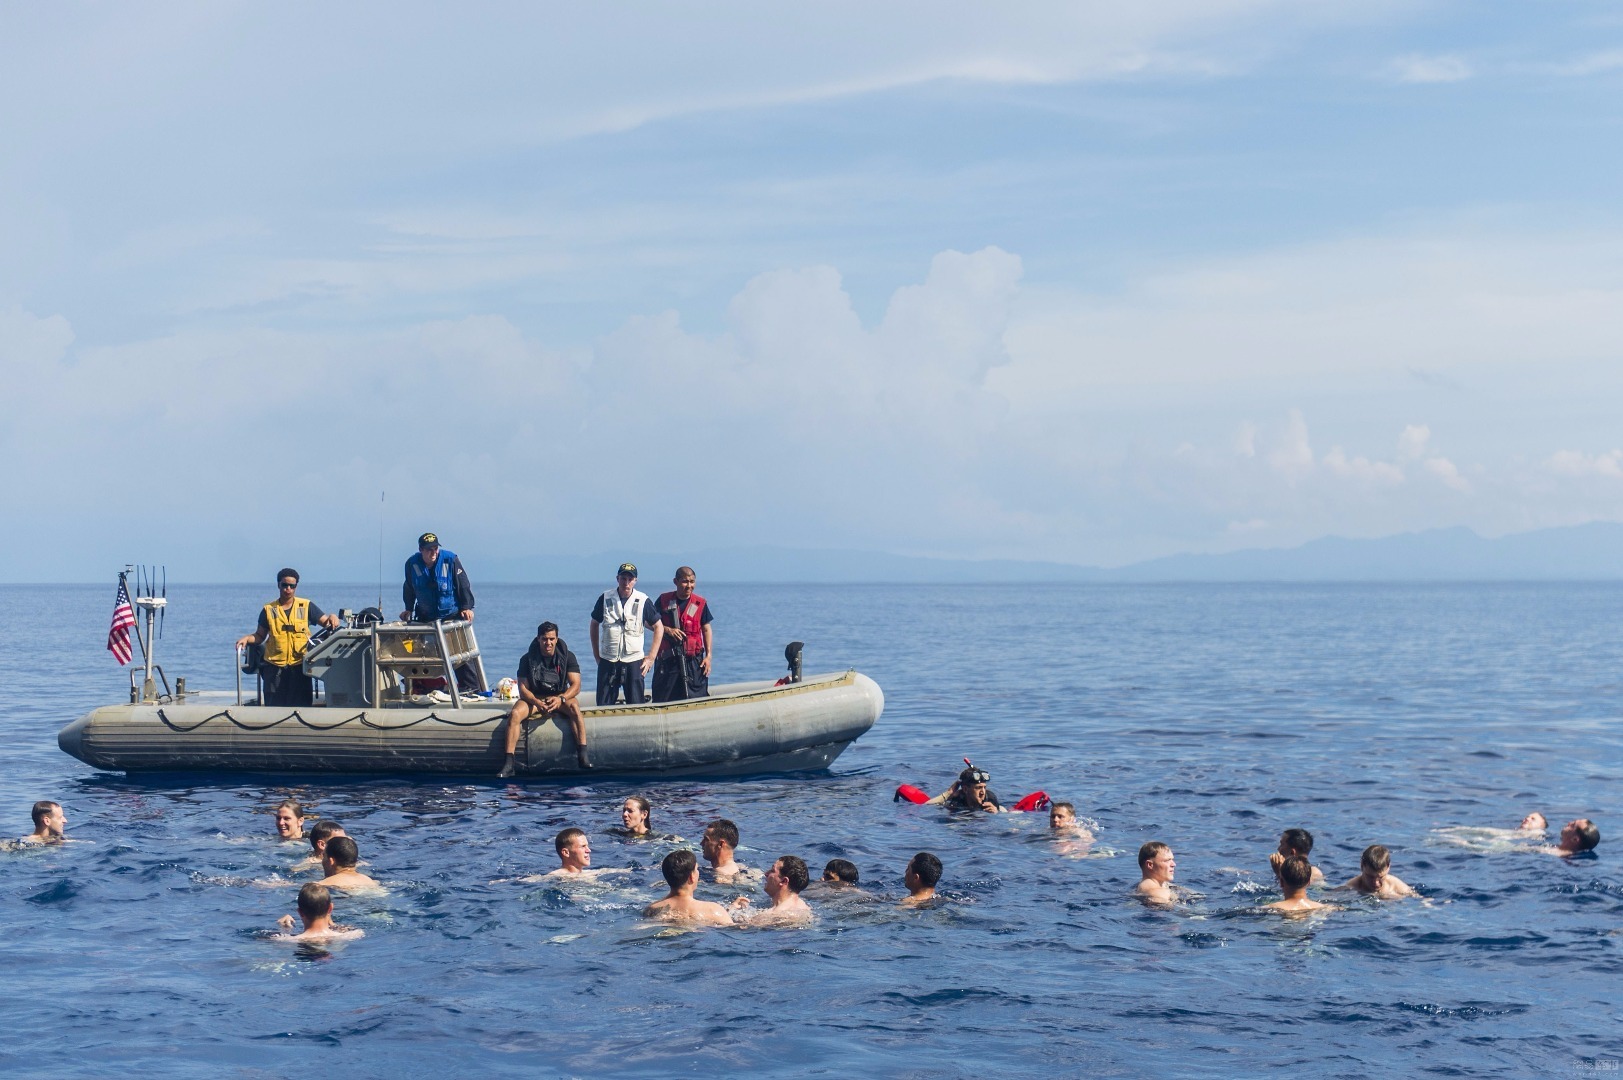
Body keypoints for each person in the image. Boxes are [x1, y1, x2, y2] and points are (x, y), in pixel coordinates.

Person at [235, 569, 340, 708]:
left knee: (302, 706)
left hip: (299, 666)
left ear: (296, 586)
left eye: (292, 586)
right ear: (278, 585)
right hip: (274, 668)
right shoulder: (268, 609)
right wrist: (247, 639)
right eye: (285, 585)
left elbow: (327, 622)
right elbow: (260, 636)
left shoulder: (306, 606)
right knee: (274, 707)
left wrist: (333, 616)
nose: (288, 589)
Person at [498, 622, 586, 776]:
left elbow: (576, 685)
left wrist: (561, 699)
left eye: (552, 639)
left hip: (559, 696)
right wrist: (537, 702)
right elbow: (523, 689)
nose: (548, 643)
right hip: (534, 698)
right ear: (538, 639)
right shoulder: (526, 659)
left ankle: (583, 754)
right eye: (545, 639)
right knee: (515, 714)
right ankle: (509, 763)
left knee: (574, 709)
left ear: (557, 639)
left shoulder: (568, 656)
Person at [589, 563, 664, 706]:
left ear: (635, 581)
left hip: (633, 660)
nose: (626, 583)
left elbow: (658, 627)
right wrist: (596, 655)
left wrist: (651, 658)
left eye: (630, 579)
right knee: (604, 704)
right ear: (617, 579)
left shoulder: (643, 600)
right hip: (608, 659)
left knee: (636, 703)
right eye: (623, 578)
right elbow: (594, 624)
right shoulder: (605, 598)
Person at [651, 566, 714, 702]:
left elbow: (706, 629)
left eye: (692, 582)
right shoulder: (663, 600)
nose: (689, 586)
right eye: (685, 581)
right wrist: (667, 630)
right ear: (676, 581)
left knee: (697, 696)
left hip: (693, 661)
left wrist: (708, 656)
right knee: (663, 697)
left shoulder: (700, 603)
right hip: (668, 662)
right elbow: (648, 622)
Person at [643, 850, 734, 926]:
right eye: (696, 869)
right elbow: (732, 928)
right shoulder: (713, 910)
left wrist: (731, 908)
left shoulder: (652, 909)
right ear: (691, 876)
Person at [731, 856, 812, 924]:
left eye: (772, 871)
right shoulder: (804, 907)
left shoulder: (773, 915)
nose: (766, 873)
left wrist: (732, 909)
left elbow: (729, 926)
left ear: (784, 881)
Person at [275, 883, 364, 942]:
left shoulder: (287, 940)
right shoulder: (354, 935)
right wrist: (332, 924)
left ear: (300, 912)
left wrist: (284, 929)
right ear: (330, 908)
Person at [1342, 844, 1417, 899]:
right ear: (1362, 866)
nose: (1375, 883)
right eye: (1370, 877)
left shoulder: (1397, 887)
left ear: (1388, 867)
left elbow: (1421, 900)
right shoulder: (1352, 887)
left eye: (1381, 877)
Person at [935, 766, 1004, 813]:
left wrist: (996, 813)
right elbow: (927, 806)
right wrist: (948, 793)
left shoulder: (990, 798)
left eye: (984, 787)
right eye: (978, 788)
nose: (983, 792)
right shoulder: (957, 801)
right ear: (965, 789)